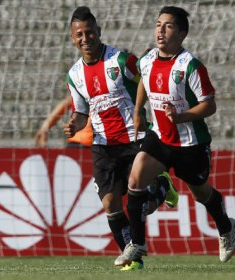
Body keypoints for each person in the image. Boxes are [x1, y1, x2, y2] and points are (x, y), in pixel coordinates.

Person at [63, 6, 179, 271]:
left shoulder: (121, 60)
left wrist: (146, 111)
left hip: (135, 137)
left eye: (89, 32)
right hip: (103, 145)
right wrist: (75, 124)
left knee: (145, 202)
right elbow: (81, 112)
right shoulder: (74, 75)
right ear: (72, 38)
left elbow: (148, 80)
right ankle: (133, 259)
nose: (85, 38)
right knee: (110, 203)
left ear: (98, 32)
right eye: (79, 34)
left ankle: (162, 186)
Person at [118, 6, 235, 265]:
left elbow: (210, 104)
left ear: (181, 34)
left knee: (201, 194)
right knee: (135, 180)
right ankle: (136, 244)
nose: (160, 30)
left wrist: (181, 116)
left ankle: (227, 228)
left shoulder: (190, 66)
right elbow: (144, 83)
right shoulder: (147, 60)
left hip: (190, 144)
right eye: (158, 24)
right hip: (159, 136)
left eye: (168, 26)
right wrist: (138, 111)